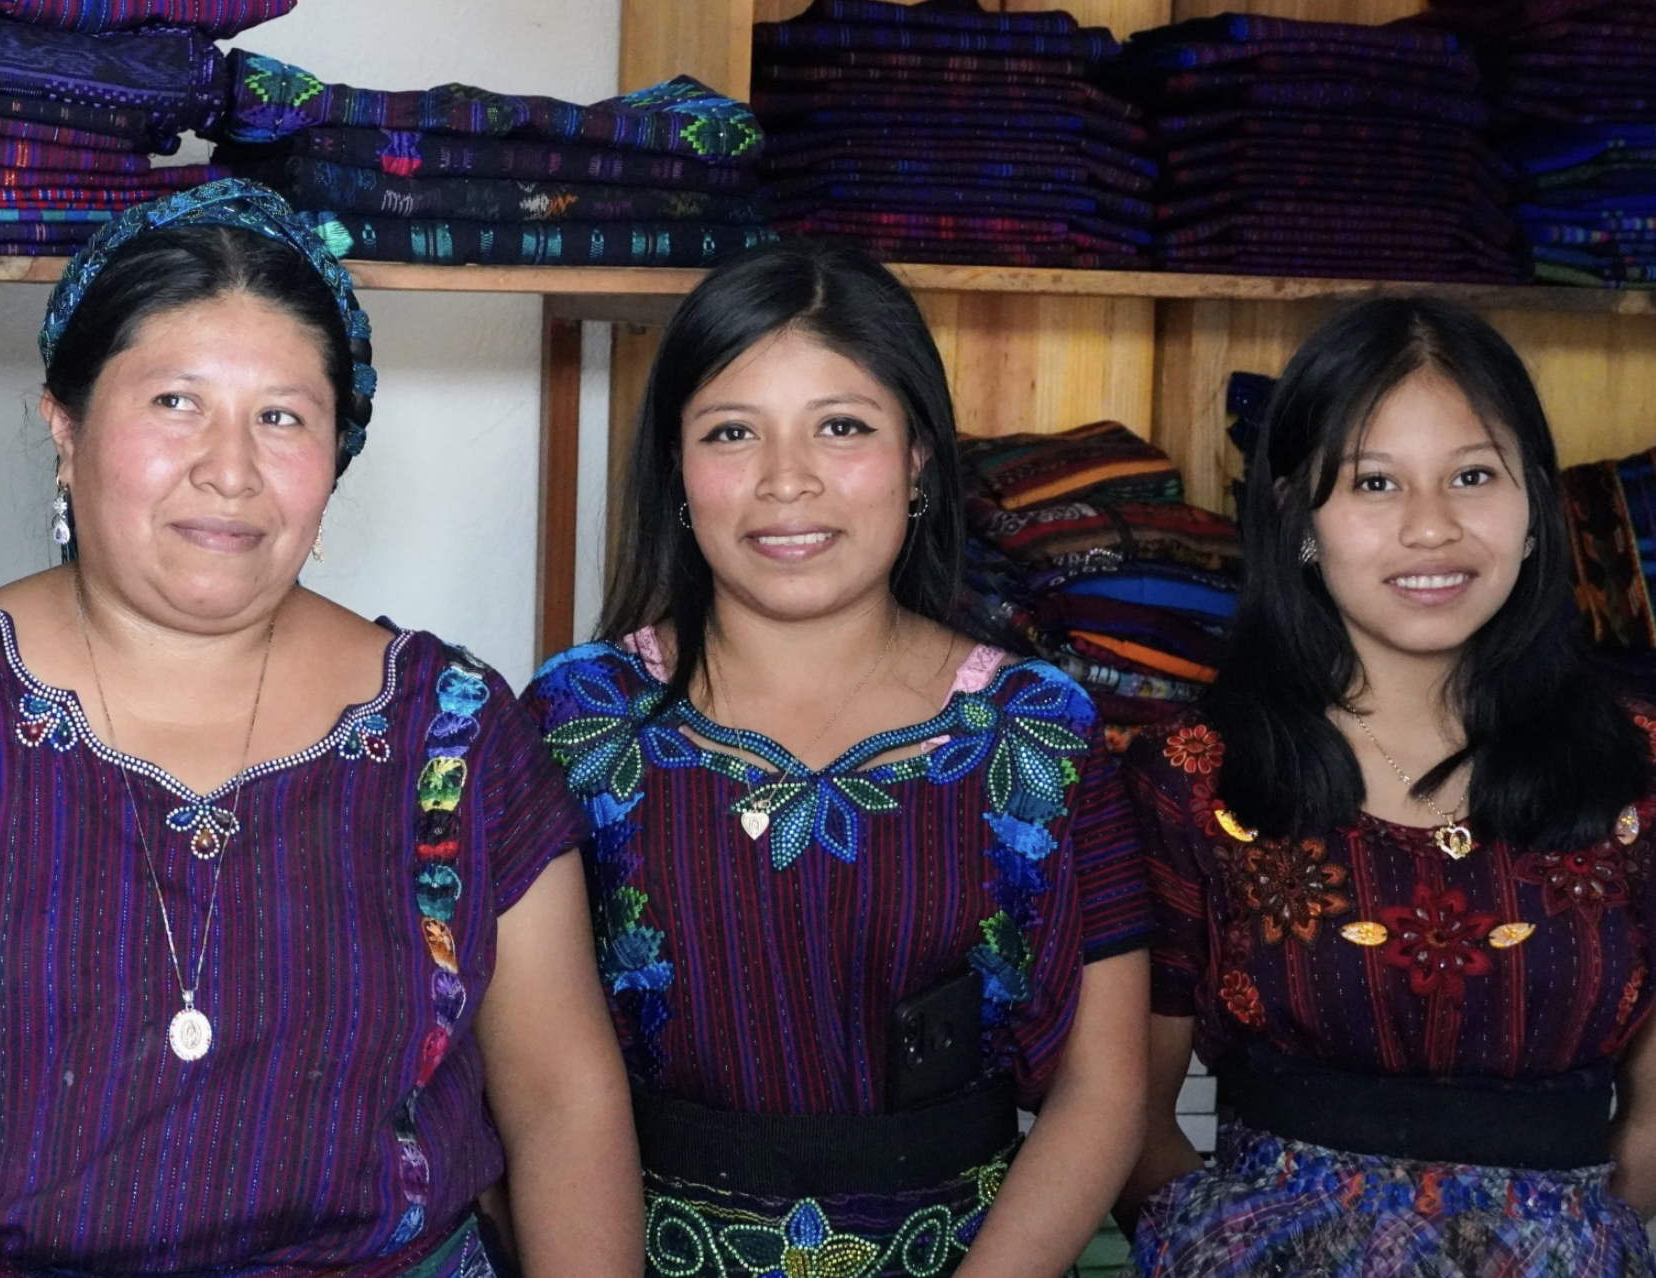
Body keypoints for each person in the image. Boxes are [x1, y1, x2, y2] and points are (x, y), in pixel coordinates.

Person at [0, 180, 643, 1278]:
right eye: (174, 402)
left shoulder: (455, 732)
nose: (230, 469)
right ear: (64, 424)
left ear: (336, 451)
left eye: (282, 417)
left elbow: (563, 1101)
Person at [522, 240, 1149, 1278]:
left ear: (918, 458)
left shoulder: (1043, 730)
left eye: (843, 427)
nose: (787, 480)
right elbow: (527, 1085)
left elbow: (1107, 1090)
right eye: (732, 432)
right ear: (677, 467)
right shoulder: (576, 723)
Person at [1117, 297, 1656, 1276]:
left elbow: (1653, 1121)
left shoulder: (1638, 773)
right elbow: (1131, 1119)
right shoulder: (1196, 779)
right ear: (1299, 518)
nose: (1431, 527)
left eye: (1473, 476)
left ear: (1535, 507)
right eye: (1374, 482)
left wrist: (1555, 1249)